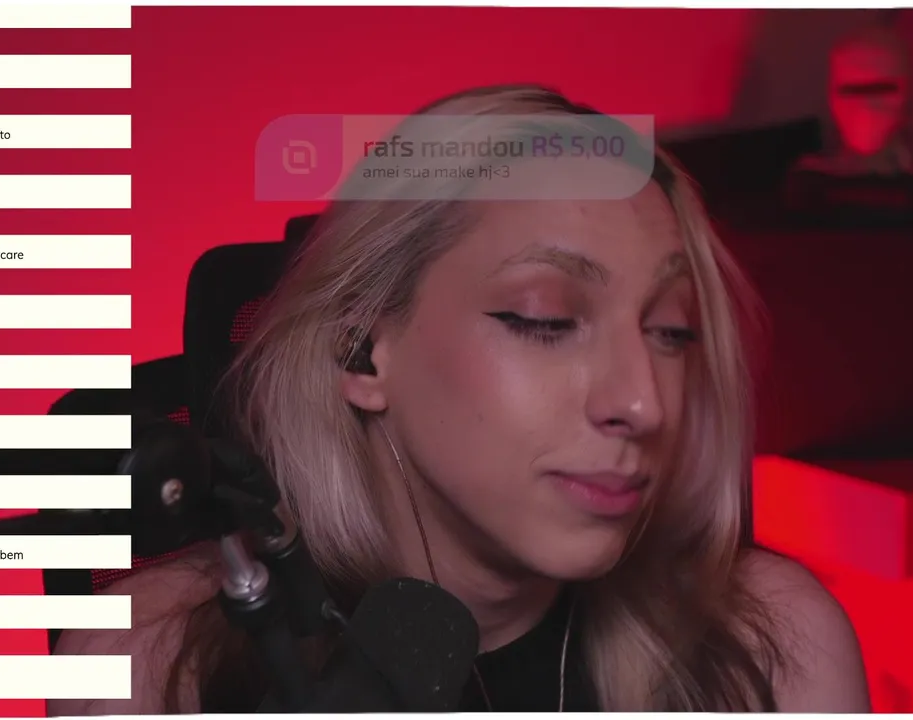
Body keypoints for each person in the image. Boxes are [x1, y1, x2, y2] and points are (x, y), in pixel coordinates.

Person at [50, 85, 869, 714]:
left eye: (671, 332)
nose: (642, 402)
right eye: (545, 319)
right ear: (362, 351)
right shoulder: (152, 662)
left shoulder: (777, 648)